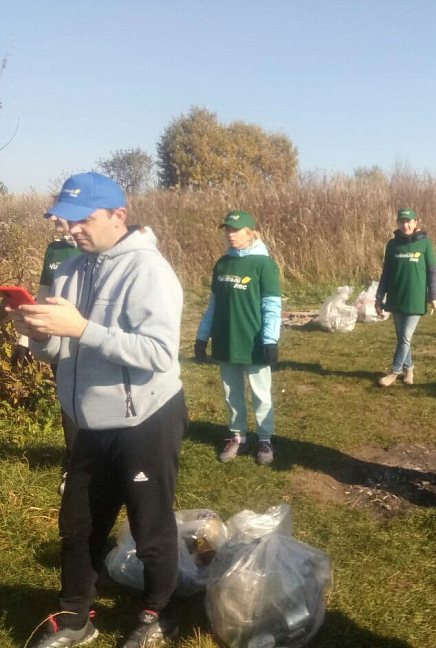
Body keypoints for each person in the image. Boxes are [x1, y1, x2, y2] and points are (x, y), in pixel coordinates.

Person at [8, 172, 187, 647]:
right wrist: (41, 334)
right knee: (80, 523)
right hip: (87, 418)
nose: (72, 231)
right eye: (66, 222)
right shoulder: (68, 269)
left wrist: (82, 328)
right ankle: (75, 617)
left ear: (118, 216)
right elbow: (59, 350)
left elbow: (159, 355)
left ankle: (157, 613)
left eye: (83, 220)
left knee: (150, 524)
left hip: (146, 417)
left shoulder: (149, 271)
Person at [195, 210, 282, 466]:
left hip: (254, 342)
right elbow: (213, 305)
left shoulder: (264, 264)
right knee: (231, 392)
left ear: (250, 232)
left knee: (260, 393)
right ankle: (238, 436)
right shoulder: (222, 264)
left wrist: (270, 339)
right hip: (226, 341)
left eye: (236, 230)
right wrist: (202, 337)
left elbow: (272, 305)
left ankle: (265, 438)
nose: (231, 235)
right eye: (227, 230)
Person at [9, 213, 81, 493]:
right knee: (67, 401)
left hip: (82, 336)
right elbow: (41, 295)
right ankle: (74, 464)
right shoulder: (54, 249)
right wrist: (25, 338)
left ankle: (96, 465)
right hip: (53, 338)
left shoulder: (91, 249)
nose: (53, 221)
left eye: (58, 215)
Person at [374, 207, 436, 387]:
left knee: (405, 337)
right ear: (398, 224)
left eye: (409, 221)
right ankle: (409, 368)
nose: (405, 225)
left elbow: (432, 271)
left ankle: (394, 372)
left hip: (415, 299)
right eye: (402, 221)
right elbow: (386, 273)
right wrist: (379, 298)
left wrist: (433, 295)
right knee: (403, 337)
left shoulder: (425, 243)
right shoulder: (392, 245)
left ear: (415, 223)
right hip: (396, 298)